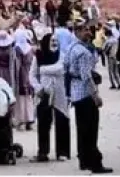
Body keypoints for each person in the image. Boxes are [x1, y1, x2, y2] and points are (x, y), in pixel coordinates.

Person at [64, 21, 110, 173]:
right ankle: (94, 162)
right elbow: (86, 77)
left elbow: (66, 68)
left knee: (82, 129)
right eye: (85, 30)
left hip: (76, 93)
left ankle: (83, 160)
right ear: (77, 32)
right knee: (91, 130)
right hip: (85, 94)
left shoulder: (71, 48)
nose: (89, 33)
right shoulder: (83, 52)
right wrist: (95, 95)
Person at [30, 32, 69, 162]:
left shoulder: (61, 55)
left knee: (62, 120)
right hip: (44, 92)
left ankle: (62, 152)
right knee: (43, 123)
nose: (54, 43)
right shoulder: (38, 57)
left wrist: (43, 69)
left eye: (56, 41)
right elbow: (32, 75)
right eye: (52, 41)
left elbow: (61, 69)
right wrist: (38, 88)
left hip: (59, 92)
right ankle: (43, 152)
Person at [11, 26, 37, 128]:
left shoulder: (16, 49)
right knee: (29, 98)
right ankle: (29, 119)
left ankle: (20, 119)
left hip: (20, 76)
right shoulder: (30, 49)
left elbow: (15, 65)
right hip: (29, 74)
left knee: (20, 99)